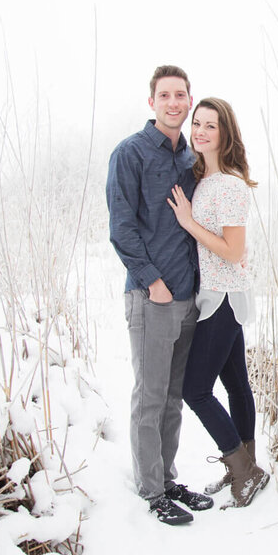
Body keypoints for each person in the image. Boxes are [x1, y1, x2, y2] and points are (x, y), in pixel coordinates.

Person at [106, 65, 214, 525]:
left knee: (172, 397)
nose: (174, 102)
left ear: (189, 101)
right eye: (165, 95)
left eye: (181, 95)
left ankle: (168, 478)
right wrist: (152, 280)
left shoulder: (191, 159)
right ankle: (152, 490)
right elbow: (121, 226)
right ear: (151, 102)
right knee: (150, 396)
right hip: (151, 297)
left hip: (189, 297)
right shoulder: (130, 154)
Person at [168, 97, 269, 508]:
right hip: (220, 292)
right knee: (236, 384)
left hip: (224, 297)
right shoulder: (205, 180)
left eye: (211, 125)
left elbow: (232, 250)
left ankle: (245, 470)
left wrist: (189, 223)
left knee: (196, 390)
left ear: (225, 133)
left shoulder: (227, 185)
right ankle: (245, 469)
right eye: (198, 123)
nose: (201, 131)